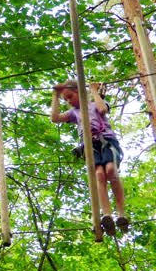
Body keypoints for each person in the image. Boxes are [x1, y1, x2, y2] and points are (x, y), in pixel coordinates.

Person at [51, 80, 128, 236]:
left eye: (70, 96)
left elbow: (102, 109)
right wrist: (55, 96)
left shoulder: (95, 104)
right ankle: (107, 214)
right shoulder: (73, 113)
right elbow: (55, 117)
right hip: (89, 145)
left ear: (80, 92)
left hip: (106, 140)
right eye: (65, 99)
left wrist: (93, 91)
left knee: (111, 170)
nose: (69, 101)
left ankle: (121, 213)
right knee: (99, 175)